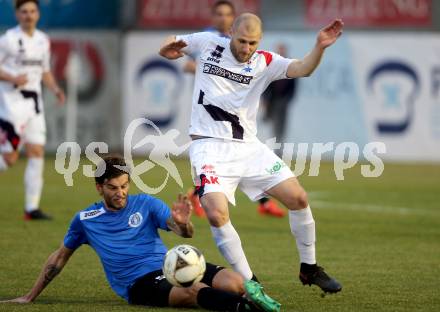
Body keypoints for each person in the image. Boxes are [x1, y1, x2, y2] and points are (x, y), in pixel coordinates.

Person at [159, 14, 344, 293]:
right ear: (231, 32)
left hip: (248, 147)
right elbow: (175, 42)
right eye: (242, 41)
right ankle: (251, 283)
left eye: (253, 43)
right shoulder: (209, 43)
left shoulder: (265, 62)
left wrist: (319, 46)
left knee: (299, 198)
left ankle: (310, 268)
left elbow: (303, 68)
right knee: (216, 214)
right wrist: (167, 48)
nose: (246, 48)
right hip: (208, 146)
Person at [0, 155, 281, 312]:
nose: (121, 193)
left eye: (124, 186)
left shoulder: (146, 203)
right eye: (113, 187)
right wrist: (30, 296)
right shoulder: (85, 220)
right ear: (99, 187)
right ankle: (244, 309)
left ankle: (247, 298)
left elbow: (184, 233)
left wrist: (183, 222)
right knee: (195, 291)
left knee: (234, 281)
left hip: (171, 263)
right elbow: (58, 259)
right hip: (140, 283)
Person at [184, 0, 285, 218]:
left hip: (237, 109)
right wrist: (213, 75)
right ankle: (262, 201)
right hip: (211, 110)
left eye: (227, 14)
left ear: (233, 20)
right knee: (227, 158)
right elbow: (187, 64)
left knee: (237, 155)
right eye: (219, 14)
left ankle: (200, 193)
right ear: (214, 17)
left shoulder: (242, 45)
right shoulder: (208, 38)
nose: (223, 18)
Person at [0, 0, 65, 220]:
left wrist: (56, 89)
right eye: (24, 11)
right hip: (11, 107)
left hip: (34, 107)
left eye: (32, 11)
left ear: (38, 14)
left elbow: (44, 70)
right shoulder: (8, 39)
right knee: (9, 159)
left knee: (36, 151)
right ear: (17, 14)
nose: (29, 15)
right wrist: (12, 77)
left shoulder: (42, 40)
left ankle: (31, 208)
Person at [261, 44, 297, 148]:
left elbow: (293, 86)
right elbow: (266, 83)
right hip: (271, 100)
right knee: (270, 123)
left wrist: (287, 99)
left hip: (282, 101)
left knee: (280, 126)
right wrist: (265, 99)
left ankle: (278, 148)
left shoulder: (292, 65)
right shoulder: (271, 64)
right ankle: (270, 146)